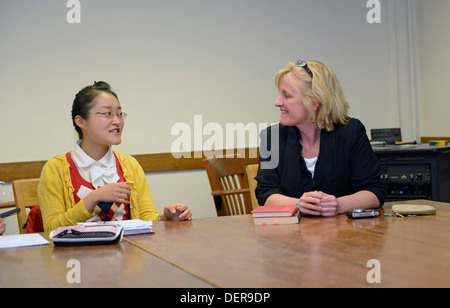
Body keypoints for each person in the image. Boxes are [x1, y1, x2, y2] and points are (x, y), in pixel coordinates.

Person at [38, 81, 191, 232]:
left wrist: (165, 218)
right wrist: (93, 198)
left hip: (129, 254)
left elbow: (145, 218)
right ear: (81, 121)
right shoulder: (56, 168)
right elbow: (52, 229)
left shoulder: (129, 164)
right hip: (77, 256)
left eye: (119, 114)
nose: (117, 121)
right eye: (107, 114)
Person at [255, 60, 385, 217]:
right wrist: (298, 204)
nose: (277, 102)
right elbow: (265, 194)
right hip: (291, 237)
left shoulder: (351, 132)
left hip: (344, 236)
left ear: (314, 102)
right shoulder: (272, 137)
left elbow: (374, 192)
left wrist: (338, 205)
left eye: (286, 95)